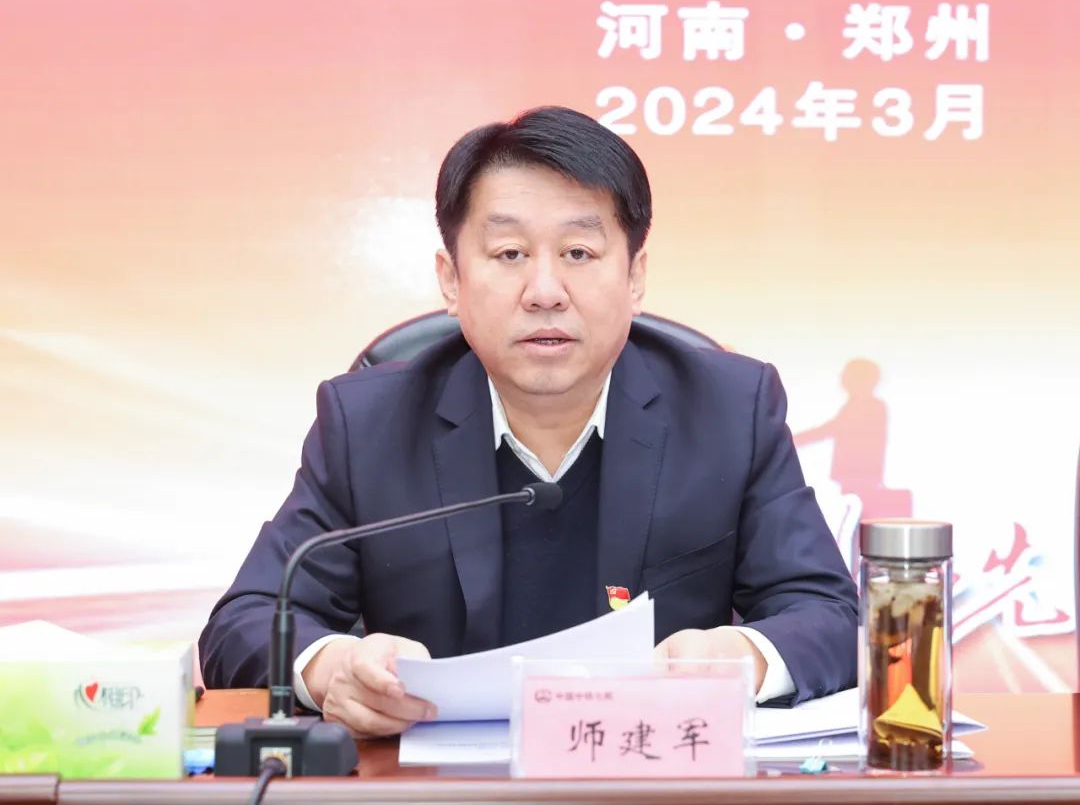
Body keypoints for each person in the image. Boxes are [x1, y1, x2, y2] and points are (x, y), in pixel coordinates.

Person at [199, 106, 858, 738]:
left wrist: (743, 657)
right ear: (451, 279)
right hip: (435, 791)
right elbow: (244, 623)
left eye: (579, 253)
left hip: (651, 778)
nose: (545, 291)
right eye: (510, 253)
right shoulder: (368, 425)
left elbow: (827, 614)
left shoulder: (727, 410)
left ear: (635, 277)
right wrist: (333, 669)